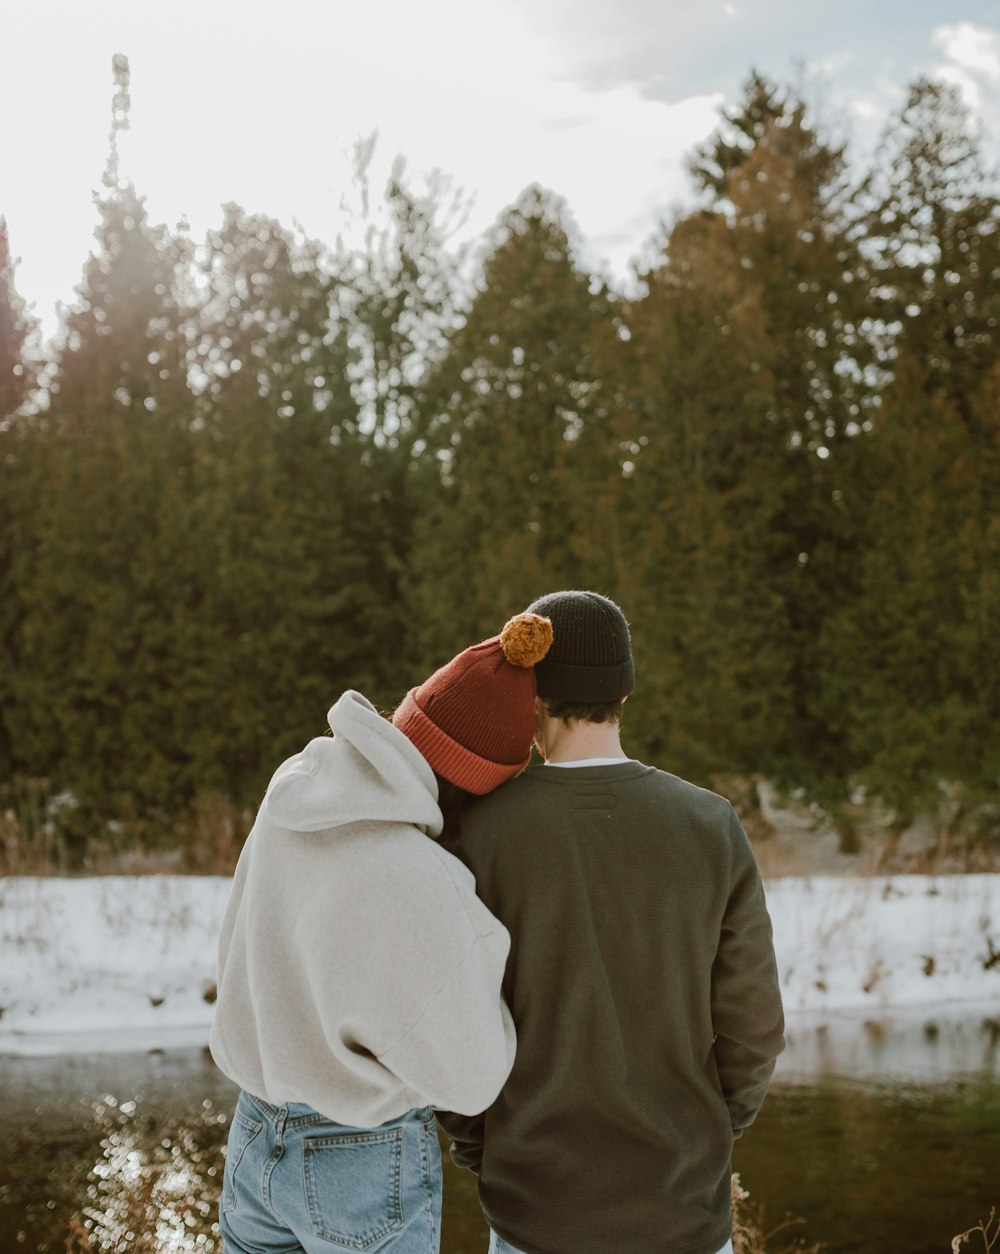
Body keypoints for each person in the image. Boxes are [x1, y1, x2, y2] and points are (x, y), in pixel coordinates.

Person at [437, 590, 785, 1254]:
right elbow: (755, 1028)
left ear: (531, 693)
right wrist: (708, 1136)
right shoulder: (711, 825)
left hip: (532, 1214)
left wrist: (485, 1149)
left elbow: (449, 1023)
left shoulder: (479, 832)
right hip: (682, 1214)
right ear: (623, 695)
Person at [209, 611, 554, 1254]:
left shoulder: (293, 790)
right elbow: (474, 1081)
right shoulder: (425, 882)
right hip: (358, 1156)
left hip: (255, 1128)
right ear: (474, 788)